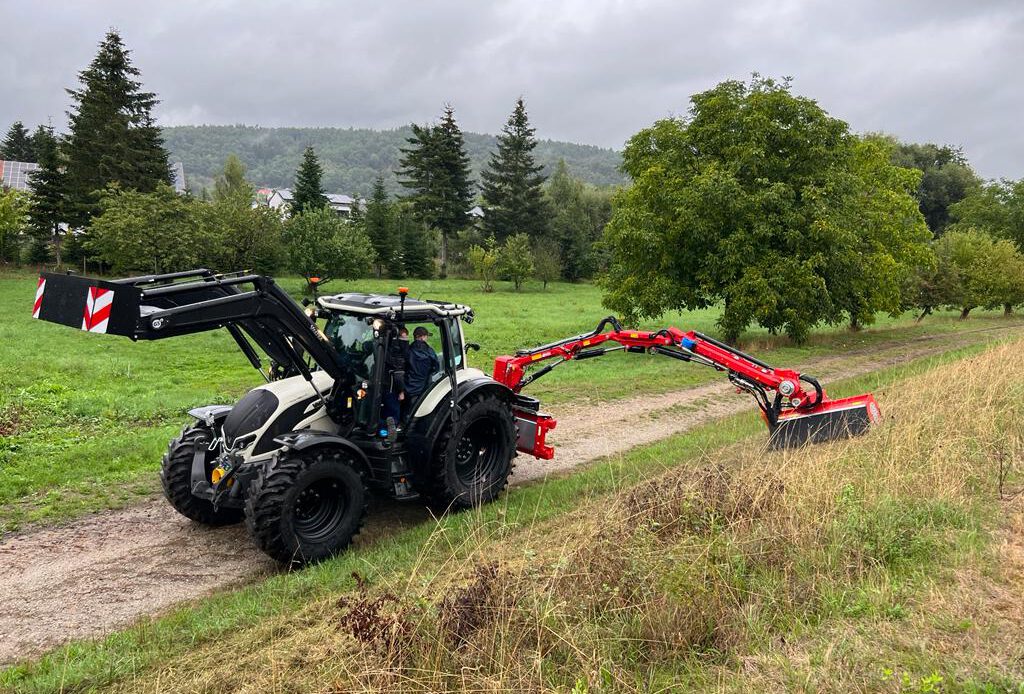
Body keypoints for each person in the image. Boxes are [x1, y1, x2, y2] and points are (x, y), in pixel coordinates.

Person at [405, 325, 440, 403]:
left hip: (408, 388)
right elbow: (436, 367)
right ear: (422, 337)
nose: (426, 338)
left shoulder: (408, 350)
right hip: (424, 388)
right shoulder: (429, 351)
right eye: (426, 336)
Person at [382, 324, 409, 425]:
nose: (407, 339)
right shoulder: (399, 353)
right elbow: (398, 374)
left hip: (384, 385)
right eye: (405, 336)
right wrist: (401, 392)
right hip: (392, 388)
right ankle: (393, 427)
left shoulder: (385, 349)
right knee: (394, 411)